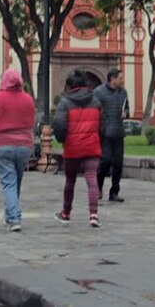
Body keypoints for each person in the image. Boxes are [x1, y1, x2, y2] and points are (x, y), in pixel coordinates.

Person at [0, 68, 36, 232]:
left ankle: (14, 218)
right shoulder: (27, 99)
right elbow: (32, 120)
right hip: (25, 145)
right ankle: (10, 215)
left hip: (2, 144)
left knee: (8, 182)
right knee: (15, 181)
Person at [53, 69, 104, 228]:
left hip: (72, 148)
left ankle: (66, 213)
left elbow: (59, 125)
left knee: (70, 181)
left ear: (69, 85)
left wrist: (62, 139)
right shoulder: (96, 102)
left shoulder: (64, 103)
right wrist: (98, 140)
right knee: (91, 178)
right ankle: (93, 215)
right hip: (91, 146)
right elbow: (102, 126)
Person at [94, 68, 129, 202]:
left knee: (118, 164)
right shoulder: (99, 92)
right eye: (120, 78)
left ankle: (114, 191)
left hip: (119, 132)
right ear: (112, 79)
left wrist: (126, 113)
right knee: (105, 161)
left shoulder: (123, 93)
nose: (122, 80)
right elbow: (94, 110)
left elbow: (127, 108)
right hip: (105, 133)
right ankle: (98, 186)